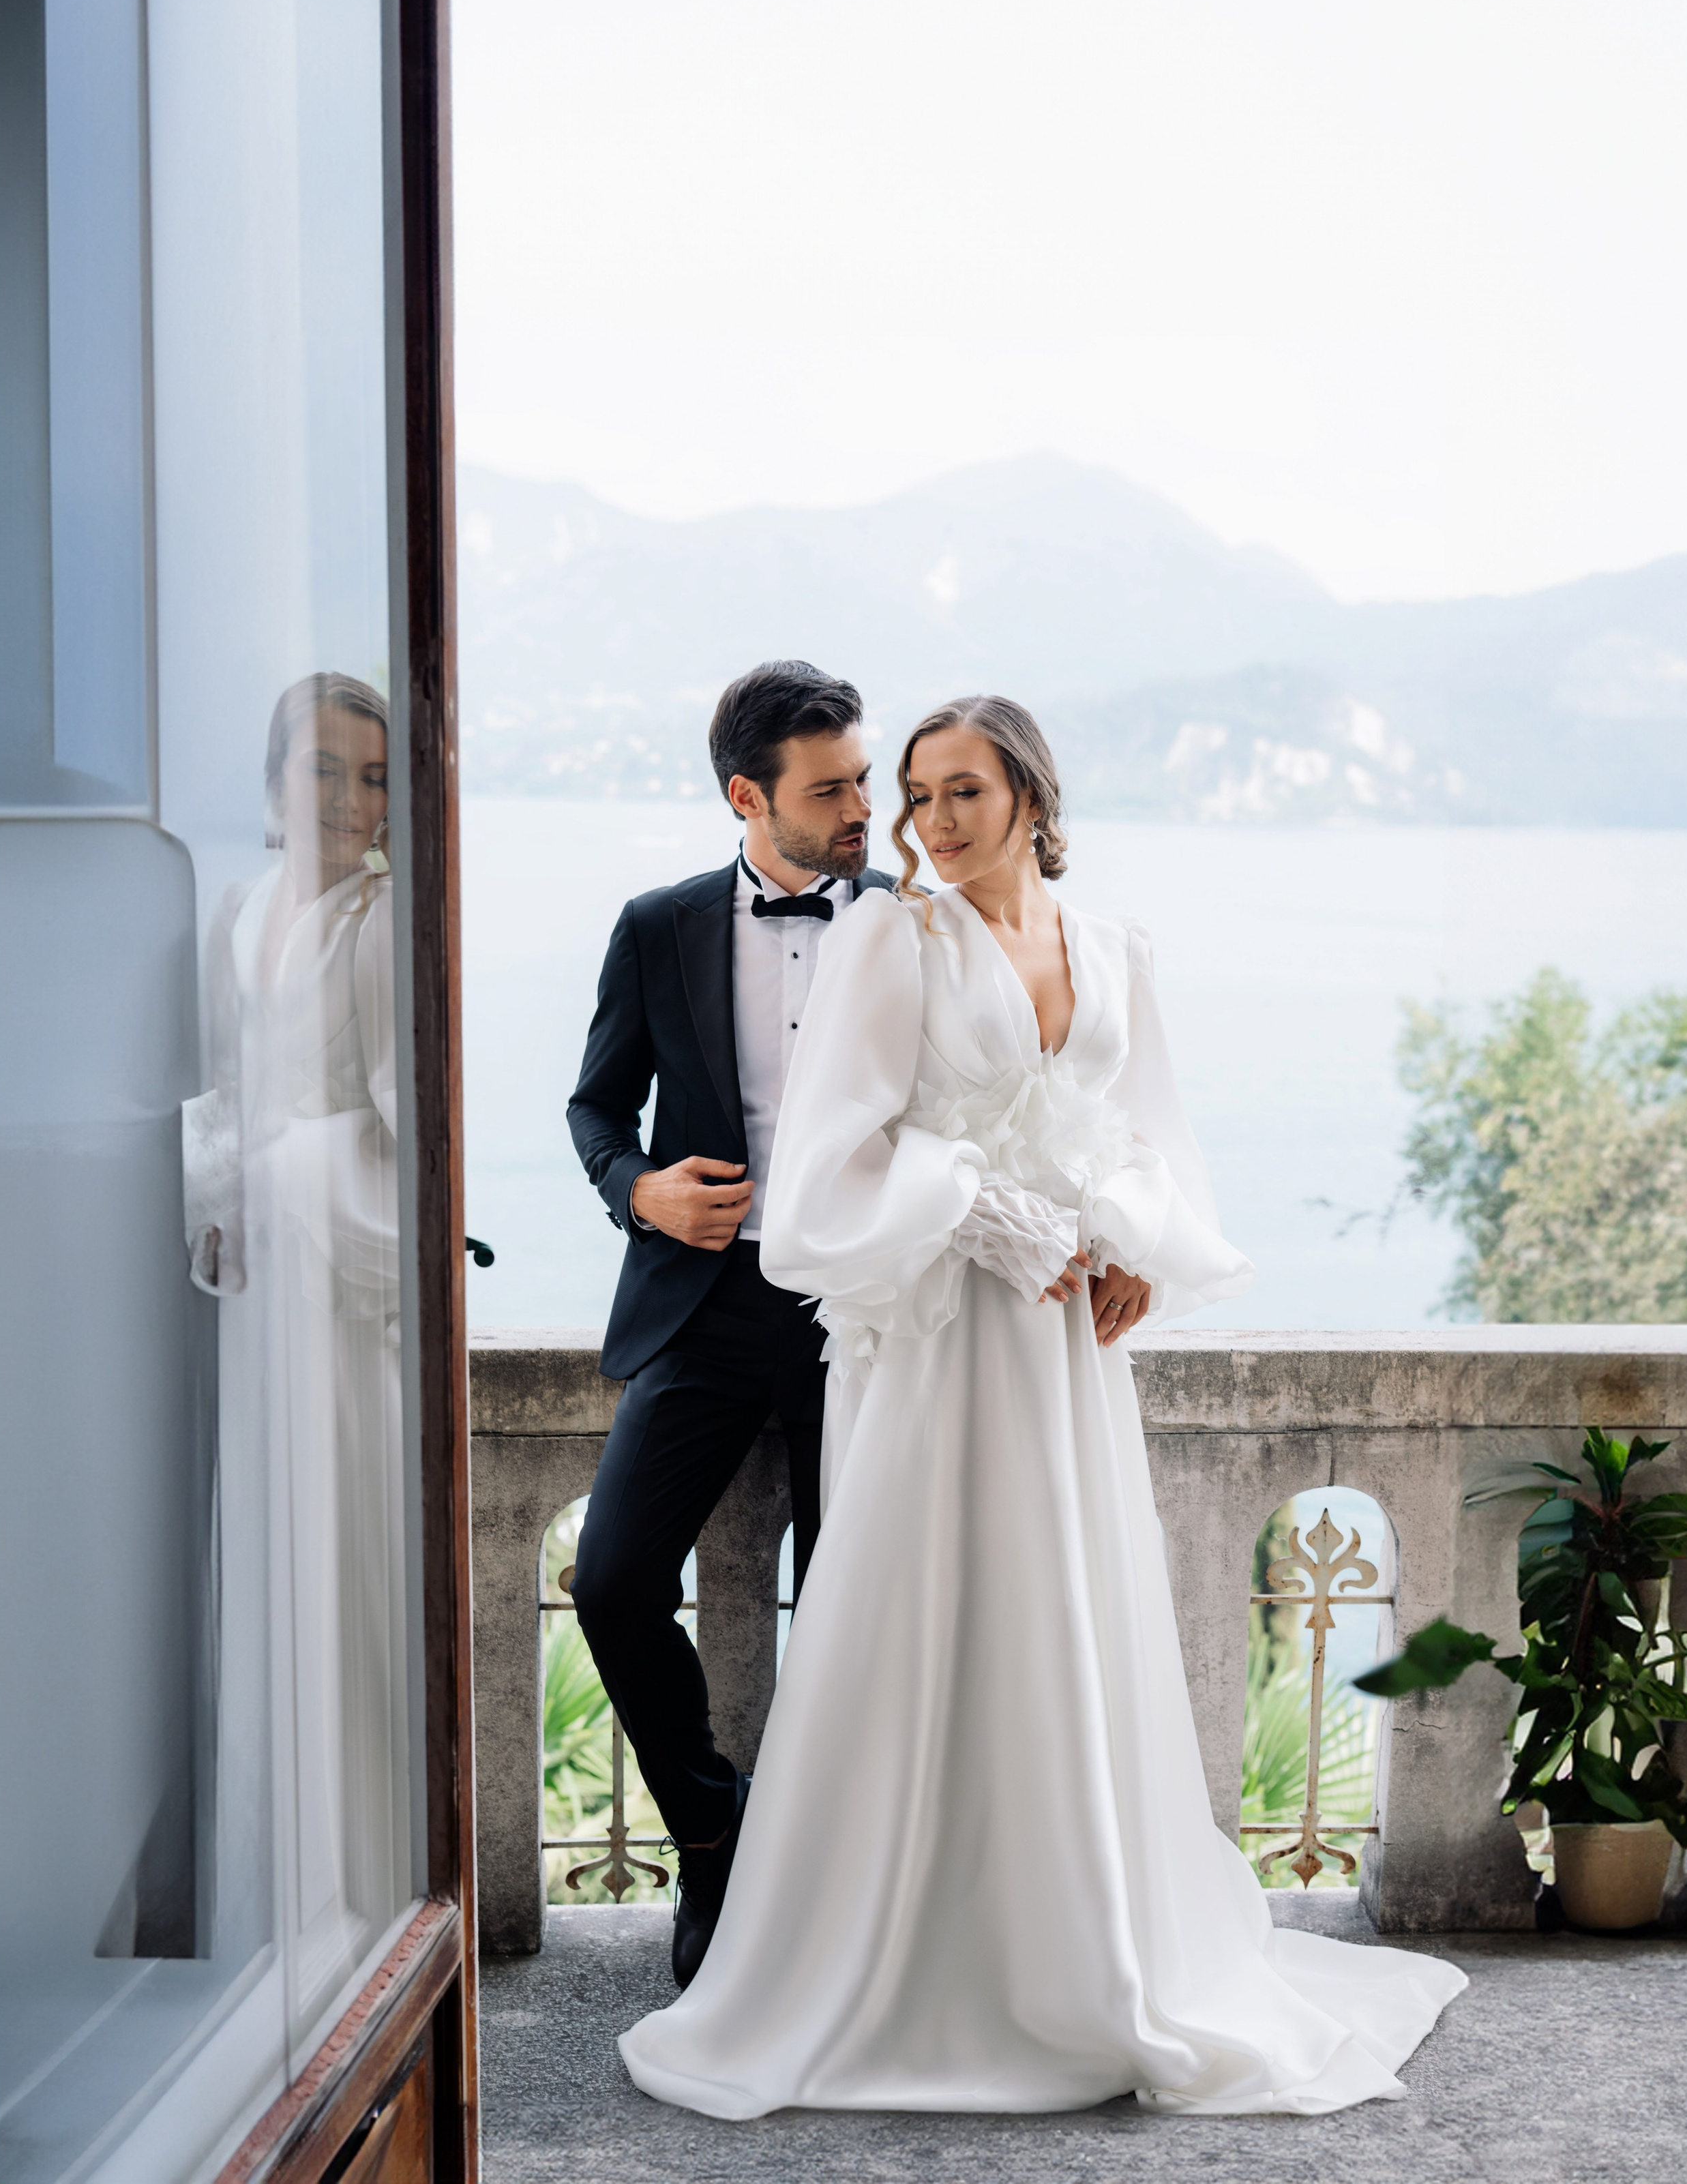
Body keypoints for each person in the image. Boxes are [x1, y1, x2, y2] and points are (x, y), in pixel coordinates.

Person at [620, 695, 1465, 2119]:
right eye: (917, 795)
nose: (933, 820)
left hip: (1067, 1348)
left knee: (1066, 1608)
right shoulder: (897, 938)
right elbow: (824, 1165)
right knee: (933, 1607)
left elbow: (1142, 1129)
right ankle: (909, 1954)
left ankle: (1091, 1942)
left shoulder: (1114, 946)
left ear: (1030, 793)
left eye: (963, 789)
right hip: (945, 1336)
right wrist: (976, 1211)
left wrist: (1131, 1240)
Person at [566, 659, 895, 1985]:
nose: (863, 807)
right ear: (747, 798)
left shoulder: (908, 924)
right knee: (610, 1581)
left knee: (853, 1603)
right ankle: (711, 1832)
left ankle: (828, 1880)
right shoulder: (657, 926)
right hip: (702, 1308)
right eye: (830, 789)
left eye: (863, 778)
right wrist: (639, 1189)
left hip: (862, 1312)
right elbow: (597, 1107)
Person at [183, 672, 409, 1998]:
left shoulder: (380, 928)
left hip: (339, 1294)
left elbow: (403, 1136)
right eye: (324, 768)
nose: (348, 799)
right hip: (253, 1291)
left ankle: (360, 1889)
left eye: (373, 777)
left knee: (340, 1564)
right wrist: (217, 1193)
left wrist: (275, 1174)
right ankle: (268, 1893)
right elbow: (219, 1091)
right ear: (274, 779)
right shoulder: (233, 912)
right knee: (260, 1566)